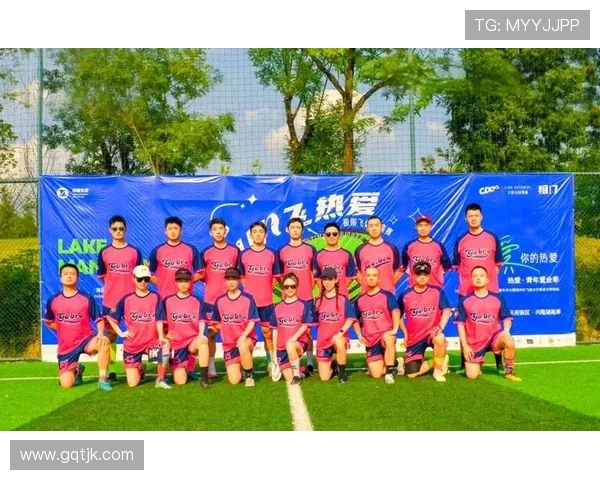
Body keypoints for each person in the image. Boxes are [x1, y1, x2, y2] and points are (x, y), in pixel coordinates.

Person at [148, 216, 202, 379]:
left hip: (186, 299)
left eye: (176, 228)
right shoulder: (157, 250)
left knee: (189, 332)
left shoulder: (190, 249)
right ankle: (160, 374)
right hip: (164, 299)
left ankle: (190, 369)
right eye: (170, 228)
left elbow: (201, 273)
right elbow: (149, 274)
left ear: (181, 230)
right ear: (165, 231)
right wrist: (162, 283)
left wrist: (186, 283)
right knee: (162, 334)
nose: (173, 231)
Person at [44, 263, 112, 391]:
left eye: (73, 274)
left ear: (78, 278)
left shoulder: (86, 298)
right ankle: (78, 370)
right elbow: (48, 322)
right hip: (67, 347)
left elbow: (99, 320)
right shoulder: (53, 300)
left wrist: (100, 333)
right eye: (66, 274)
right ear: (60, 278)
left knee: (104, 342)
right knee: (66, 385)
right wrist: (65, 328)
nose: (69, 276)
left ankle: (103, 379)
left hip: (86, 340)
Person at [453, 203, 504, 372]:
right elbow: (457, 266)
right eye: (470, 216)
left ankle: (499, 362)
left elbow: (498, 263)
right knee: (464, 326)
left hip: (491, 292)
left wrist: (486, 282)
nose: (473, 218)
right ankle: (464, 361)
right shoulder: (461, 240)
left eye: (476, 215)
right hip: (466, 292)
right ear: (465, 218)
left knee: (494, 325)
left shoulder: (492, 237)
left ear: (481, 217)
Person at [107, 265, 171, 389]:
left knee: (165, 346)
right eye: (140, 279)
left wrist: (161, 336)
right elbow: (111, 317)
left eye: (146, 279)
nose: (143, 282)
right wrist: (121, 333)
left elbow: (159, 319)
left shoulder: (155, 297)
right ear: (133, 278)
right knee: (133, 383)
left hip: (151, 342)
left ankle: (160, 379)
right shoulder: (126, 299)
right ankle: (141, 369)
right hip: (132, 345)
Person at [97, 215, 144, 381]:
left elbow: (139, 275)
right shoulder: (104, 252)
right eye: (115, 229)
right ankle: (110, 370)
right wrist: (115, 287)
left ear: (125, 230)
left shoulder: (134, 252)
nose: (118, 231)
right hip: (111, 301)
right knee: (110, 336)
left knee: (137, 333)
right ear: (110, 230)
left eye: (121, 229)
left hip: (132, 301)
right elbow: (102, 275)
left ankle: (138, 366)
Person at [455, 266, 522, 382]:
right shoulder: (464, 301)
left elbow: (507, 318)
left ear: (487, 280)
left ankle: (509, 371)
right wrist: (465, 346)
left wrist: (506, 330)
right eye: (475, 276)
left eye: (481, 276)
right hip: (475, 342)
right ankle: (478, 362)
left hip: (494, 338)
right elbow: (460, 324)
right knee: (472, 375)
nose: (478, 278)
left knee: (508, 340)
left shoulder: (497, 298)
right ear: (471, 280)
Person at [197, 217, 242, 379]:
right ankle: (211, 366)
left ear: (225, 231)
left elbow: (240, 274)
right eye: (215, 229)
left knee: (236, 333)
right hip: (211, 300)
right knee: (211, 334)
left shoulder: (235, 251)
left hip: (232, 300)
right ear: (210, 232)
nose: (218, 232)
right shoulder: (205, 252)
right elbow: (201, 274)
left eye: (220, 229)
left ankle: (240, 365)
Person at [277, 217, 320, 373]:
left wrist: (310, 289)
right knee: (289, 329)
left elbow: (315, 274)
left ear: (302, 230)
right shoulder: (281, 251)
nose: (295, 230)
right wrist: (285, 291)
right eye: (292, 227)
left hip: (306, 297)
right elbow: (279, 275)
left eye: (298, 227)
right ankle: (292, 364)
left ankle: (309, 362)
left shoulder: (310, 249)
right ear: (288, 230)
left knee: (307, 331)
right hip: (288, 299)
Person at [397, 261, 452, 382]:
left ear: (429, 275)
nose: (422, 277)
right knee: (412, 374)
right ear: (413, 275)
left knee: (440, 338)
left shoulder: (437, 291)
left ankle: (437, 371)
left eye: (425, 274)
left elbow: (447, 310)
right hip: (414, 338)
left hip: (431, 334)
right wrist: (405, 333)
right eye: (419, 274)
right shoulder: (405, 295)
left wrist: (440, 327)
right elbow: (398, 315)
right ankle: (439, 360)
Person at [157, 268, 211, 388]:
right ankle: (179, 367)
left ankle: (204, 378)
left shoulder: (197, 300)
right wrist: (163, 336)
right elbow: (160, 321)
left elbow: (202, 320)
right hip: (176, 342)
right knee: (180, 381)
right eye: (180, 281)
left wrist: (201, 334)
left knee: (203, 343)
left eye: (186, 281)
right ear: (176, 282)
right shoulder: (167, 301)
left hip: (192, 341)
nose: (183, 284)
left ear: (190, 282)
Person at [239, 221, 280, 378]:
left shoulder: (272, 253)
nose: (258, 234)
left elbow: (275, 277)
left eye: (261, 231)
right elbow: (242, 277)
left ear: (265, 234)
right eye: (255, 231)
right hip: (248, 303)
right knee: (246, 334)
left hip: (266, 301)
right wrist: (250, 290)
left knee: (267, 333)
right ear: (250, 235)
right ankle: (246, 365)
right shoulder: (243, 254)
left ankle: (271, 363)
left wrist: (265, 289)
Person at [209, 268, 259, 387]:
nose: (231, 282)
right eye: (228, 279)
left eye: (234, 279)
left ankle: (249, 376)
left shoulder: (248, 298)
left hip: (246, 339)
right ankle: (241, 365)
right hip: (229, 344)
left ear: (239, 280)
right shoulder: (220, 300)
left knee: (243, 345)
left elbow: (252, 321)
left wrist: (244, 335)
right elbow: (215, 322)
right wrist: (226, 328)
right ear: (225, 281)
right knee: (234, 380)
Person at [354, 267, 401, 384]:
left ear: (379, 278)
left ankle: (389, 372)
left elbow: (396, 311)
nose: (371, 278)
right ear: (364, 278)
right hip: (371, 339)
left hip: (385, 335)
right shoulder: (360, 299)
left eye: (374, 275)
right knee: (376, 374)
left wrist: (394, 330)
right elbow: (354, 319)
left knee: (389, 340)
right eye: (368, 275)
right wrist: (359, 335)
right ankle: (396, 363)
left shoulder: (387, 295)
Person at [313, 267, 356, 384]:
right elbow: (313, 322)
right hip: (323, 341)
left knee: (340, 342)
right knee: (324, 378)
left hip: (338, 338)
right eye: (324, 279)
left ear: (336, 280)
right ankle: (333, 366)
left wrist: (340, 333)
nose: (327, 282)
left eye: (330, 279)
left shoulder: (343, 299)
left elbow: (350, 319)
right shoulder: (318, 301)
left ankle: (342, 373)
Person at [270, 273, 314, 385]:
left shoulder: (303, 305)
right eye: (286, 287)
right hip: (281, 347)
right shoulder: (277, 307)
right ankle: (303, 372)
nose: (289, 289)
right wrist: (274, 354)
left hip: (298, 343)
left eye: (292, 286)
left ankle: (297, 376)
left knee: (290, 345)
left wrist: (293, 339)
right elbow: (275, 330)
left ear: (297, 286)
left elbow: (305, 325)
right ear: (282, 288)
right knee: (288, 378)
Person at [400, 214, 452, 288]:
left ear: (431, 227)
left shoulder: (438, 246)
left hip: (434, 288)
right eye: (420, 225)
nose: (423, 228)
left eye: (426, 225)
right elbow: (403, 266)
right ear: (416, 227)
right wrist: (412, 274)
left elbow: (447, 266)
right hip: (415, 288)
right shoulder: (409, 246)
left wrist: (437, 275)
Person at [355, 215, 401, 295]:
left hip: (387, 294)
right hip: (367, 295)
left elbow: (400, 269)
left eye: (377, 225)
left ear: (382, 228)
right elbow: (356, 271)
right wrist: (365, 284)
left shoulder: (392, 248)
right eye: (371, 226)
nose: (374, 228)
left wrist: (389, 284)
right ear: (367, 229)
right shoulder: (360, 249)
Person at [316, 222, 357, 297]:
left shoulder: (347, 254)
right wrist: (327, 289)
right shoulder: (318, 255)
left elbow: (350, 277)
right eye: (328, 234)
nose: (331, 236)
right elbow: (317, 278)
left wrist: (338, 289)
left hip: (342, 296)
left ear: (339, 235)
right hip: (324, 297)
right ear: (324, 236)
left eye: (334, 234)